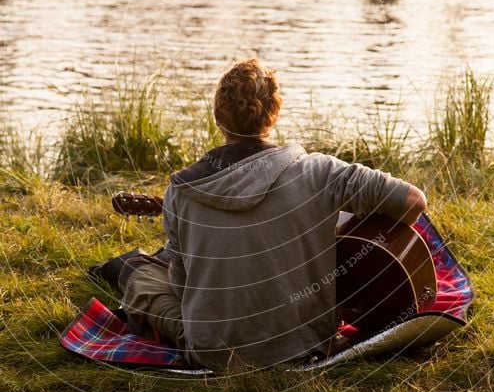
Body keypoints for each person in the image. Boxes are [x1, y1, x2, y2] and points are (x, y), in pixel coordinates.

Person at [119, 59, 427, 370]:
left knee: (143, 276)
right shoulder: (320, 172)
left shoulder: (181, 190)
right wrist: (349, 247)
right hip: (308, 345)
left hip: (214, 353)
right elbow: (413, 201)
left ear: (217, 116)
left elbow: (183, 289)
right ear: (274, 114)